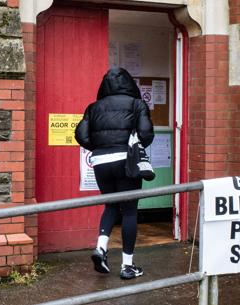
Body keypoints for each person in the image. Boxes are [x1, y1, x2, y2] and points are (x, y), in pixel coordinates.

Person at [74, 67, 154, 280]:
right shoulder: (137, 104)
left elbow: (81, 135)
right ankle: (127, 266)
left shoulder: (94, 107)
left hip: (101, 162)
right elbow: (146, 133)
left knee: (110, 205)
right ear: (129, 84)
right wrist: (133, 146)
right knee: (129, 212)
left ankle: (101, 248)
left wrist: (99, 148)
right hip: (126, 161)